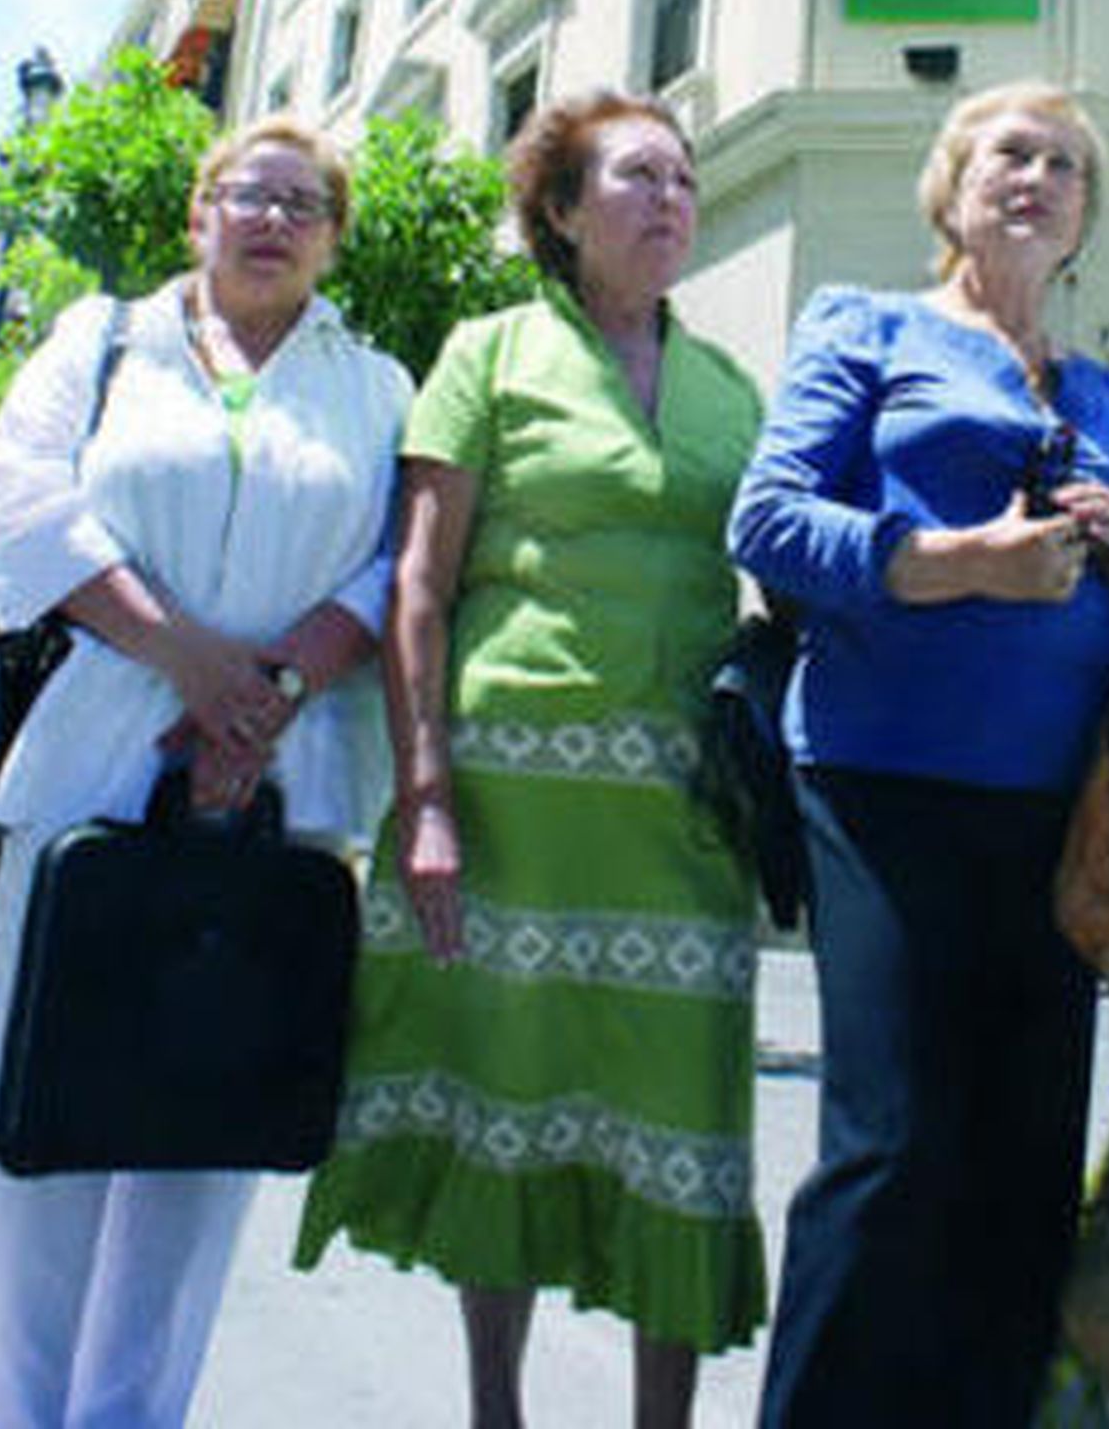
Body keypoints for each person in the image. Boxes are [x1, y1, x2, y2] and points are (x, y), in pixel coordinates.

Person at [0, 118, 411, 1429]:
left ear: (333, 236)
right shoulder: (103, 343)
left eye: (304, 203)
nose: (272, 219)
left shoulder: (377, 386)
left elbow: (388, 568)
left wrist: (269, 695)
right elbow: (20, 503)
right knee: (30, 1139)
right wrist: (188, 661)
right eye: (249, 194)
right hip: (91, 784)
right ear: (200, 213)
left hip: (280, 803)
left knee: (199, 1148)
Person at [296, 90, 766, 1429]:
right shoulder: (489, 354)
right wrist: (426, 794)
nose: (669, 197)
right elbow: (421, 591)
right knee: (502, 1101)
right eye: (634, 176)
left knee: (678, 1129)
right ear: (561, 212)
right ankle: (495, 1408)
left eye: (682, 177)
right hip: (503, 809)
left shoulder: (735, 390)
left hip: (683, 822)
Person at [728, 80, 1109, 1428]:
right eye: (1008, 156)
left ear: (1084, 218)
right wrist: (958, 563)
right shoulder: (870, 327)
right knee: (893, 1148)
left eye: (1064, 167)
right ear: (953, 189)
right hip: (882, 784)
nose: (1035, 178)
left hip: (1060, 818)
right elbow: (769, 520)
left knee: (1028, 1167)